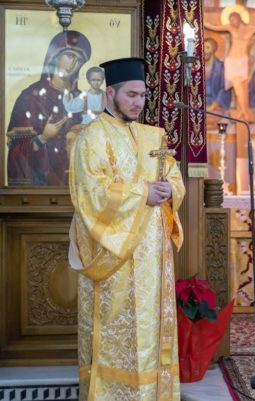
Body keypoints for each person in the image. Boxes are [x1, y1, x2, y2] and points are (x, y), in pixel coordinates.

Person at [68, 57, 185, 399]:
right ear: (110, 94)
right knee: (114, 330)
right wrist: (142, 193)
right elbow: (91, 194)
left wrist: (169, 190)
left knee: (151, 328)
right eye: (131, 95)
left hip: (153, 259)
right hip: (114, 258)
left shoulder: (153, 136)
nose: (138, 102)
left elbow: (173, 176)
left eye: (143, 95)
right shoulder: (91, 138)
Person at [6, 30, 91, 186]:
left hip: (78, 183)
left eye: (79, 60)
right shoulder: (30, 97)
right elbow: (16, 153)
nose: (73, 64)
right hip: (42, 185)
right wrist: (43, 138)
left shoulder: (82, 99)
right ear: (55, 56)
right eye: (69, 56)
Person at [204, 6, 255, 121]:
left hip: (243, 60)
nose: (232, 22)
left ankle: (243, 111)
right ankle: (244, 112)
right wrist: (203, 21)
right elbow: (214, 27)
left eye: (233, 19)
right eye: (230, 20)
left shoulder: (251, 28)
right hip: (232, 61)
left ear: (239, 18)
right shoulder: (230, 28)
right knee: (237, 88)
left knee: (243, 87)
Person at [204, 37, 232, 112]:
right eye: (202, 47)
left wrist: (215, 104)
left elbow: (225, 88)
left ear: (213, 50)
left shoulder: (220, 67)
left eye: (207, 47)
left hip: (215, 103)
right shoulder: (196, 66)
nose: (204, 50)